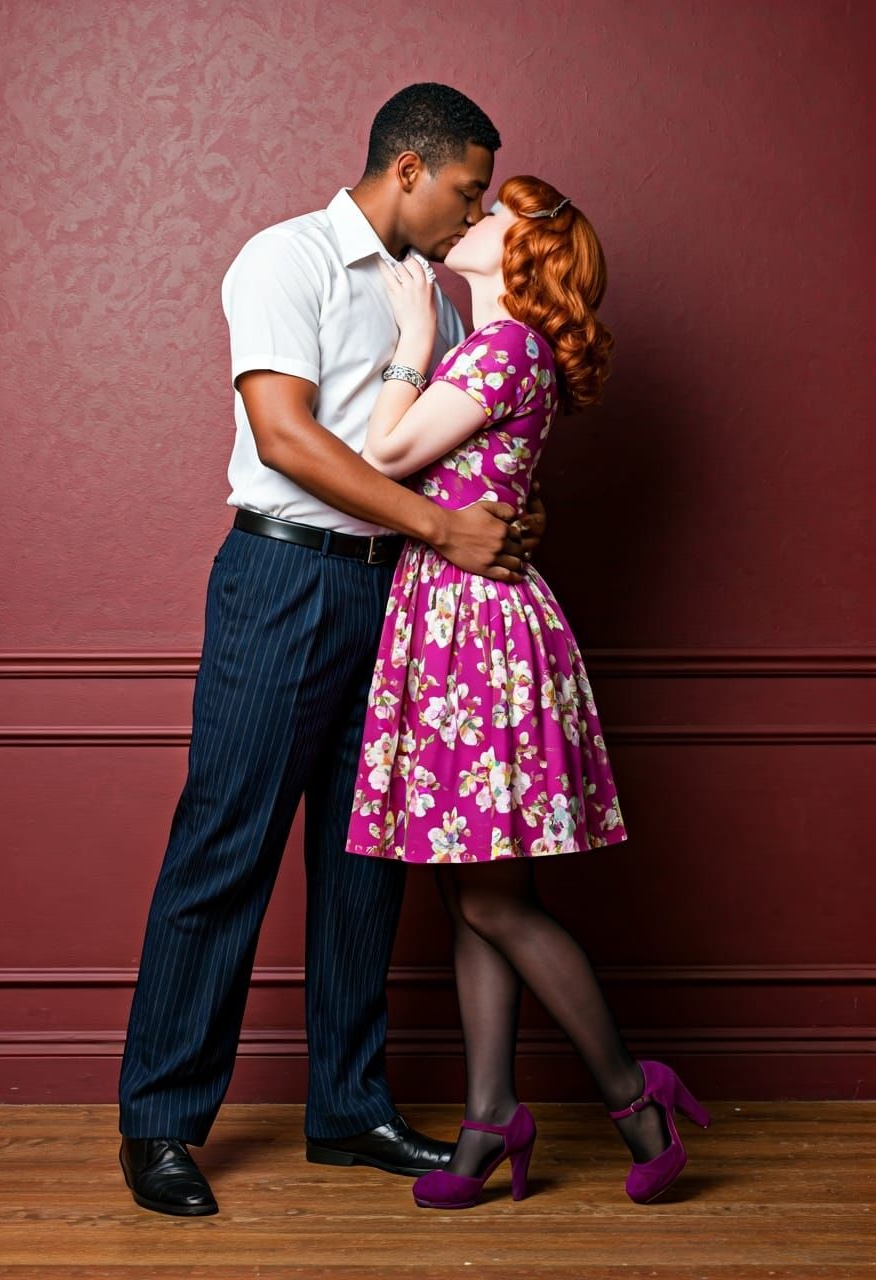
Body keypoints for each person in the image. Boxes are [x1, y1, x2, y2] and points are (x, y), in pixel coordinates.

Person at [117, 84, 547, 1218]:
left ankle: (349, 1108)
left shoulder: (440, 306)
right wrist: (447, 527)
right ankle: (159, 1122)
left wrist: (491, 516)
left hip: (401, 596)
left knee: (368, 862)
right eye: (465, 187)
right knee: (226, 843)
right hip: (283, 579)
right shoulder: (286, 257)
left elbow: (438, 446)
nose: (472, 212)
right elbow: (286, 436)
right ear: (409, 168)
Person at [345, 175, 711, 1210]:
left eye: (498, 214)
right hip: (455, 615)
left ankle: (634, 1093)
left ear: (526, 253)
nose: (476, 219)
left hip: (476, 629)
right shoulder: (500, 346)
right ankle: (488, 1114)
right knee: (471, 886)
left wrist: (409, 339)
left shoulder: (497, 347)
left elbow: (386, 451)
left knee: (492, 892)